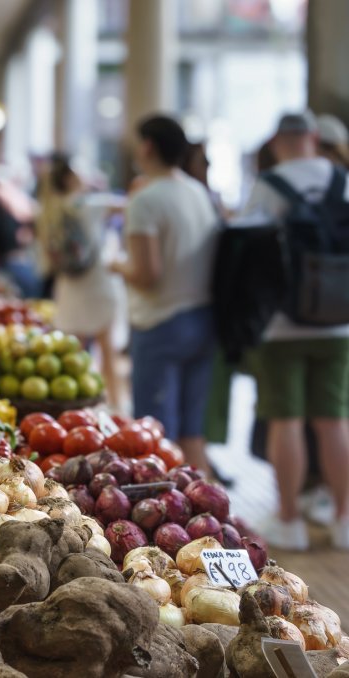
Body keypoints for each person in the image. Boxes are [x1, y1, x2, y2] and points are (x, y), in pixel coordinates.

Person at [240, 111, 349, 551]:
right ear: (314, 136)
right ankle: (344, 519)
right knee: (334, 421)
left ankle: (289, 520)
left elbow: (246, 251)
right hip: (339, 321)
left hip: (282, 325)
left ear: (276, 142)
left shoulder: (270, 185)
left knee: (286, 421)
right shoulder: (342, 180)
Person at [110, 115, 220, 475]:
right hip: (203, 319)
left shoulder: (145, 200)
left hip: (160, 324)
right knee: (192, 433)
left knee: (155, 439)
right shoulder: (197, 192)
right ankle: (206, 501)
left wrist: (117, 264)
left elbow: (147, 275)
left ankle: (165, 507)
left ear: (147, 147)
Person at [37, 155, 126, 410]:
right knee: (107, 350)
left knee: (72, 355)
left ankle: (74, 408)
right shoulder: (89, 204)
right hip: (97, 283)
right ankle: (115, 406)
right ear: (69, 179)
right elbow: (126, 206)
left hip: (69, 287)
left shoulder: (49, 210)